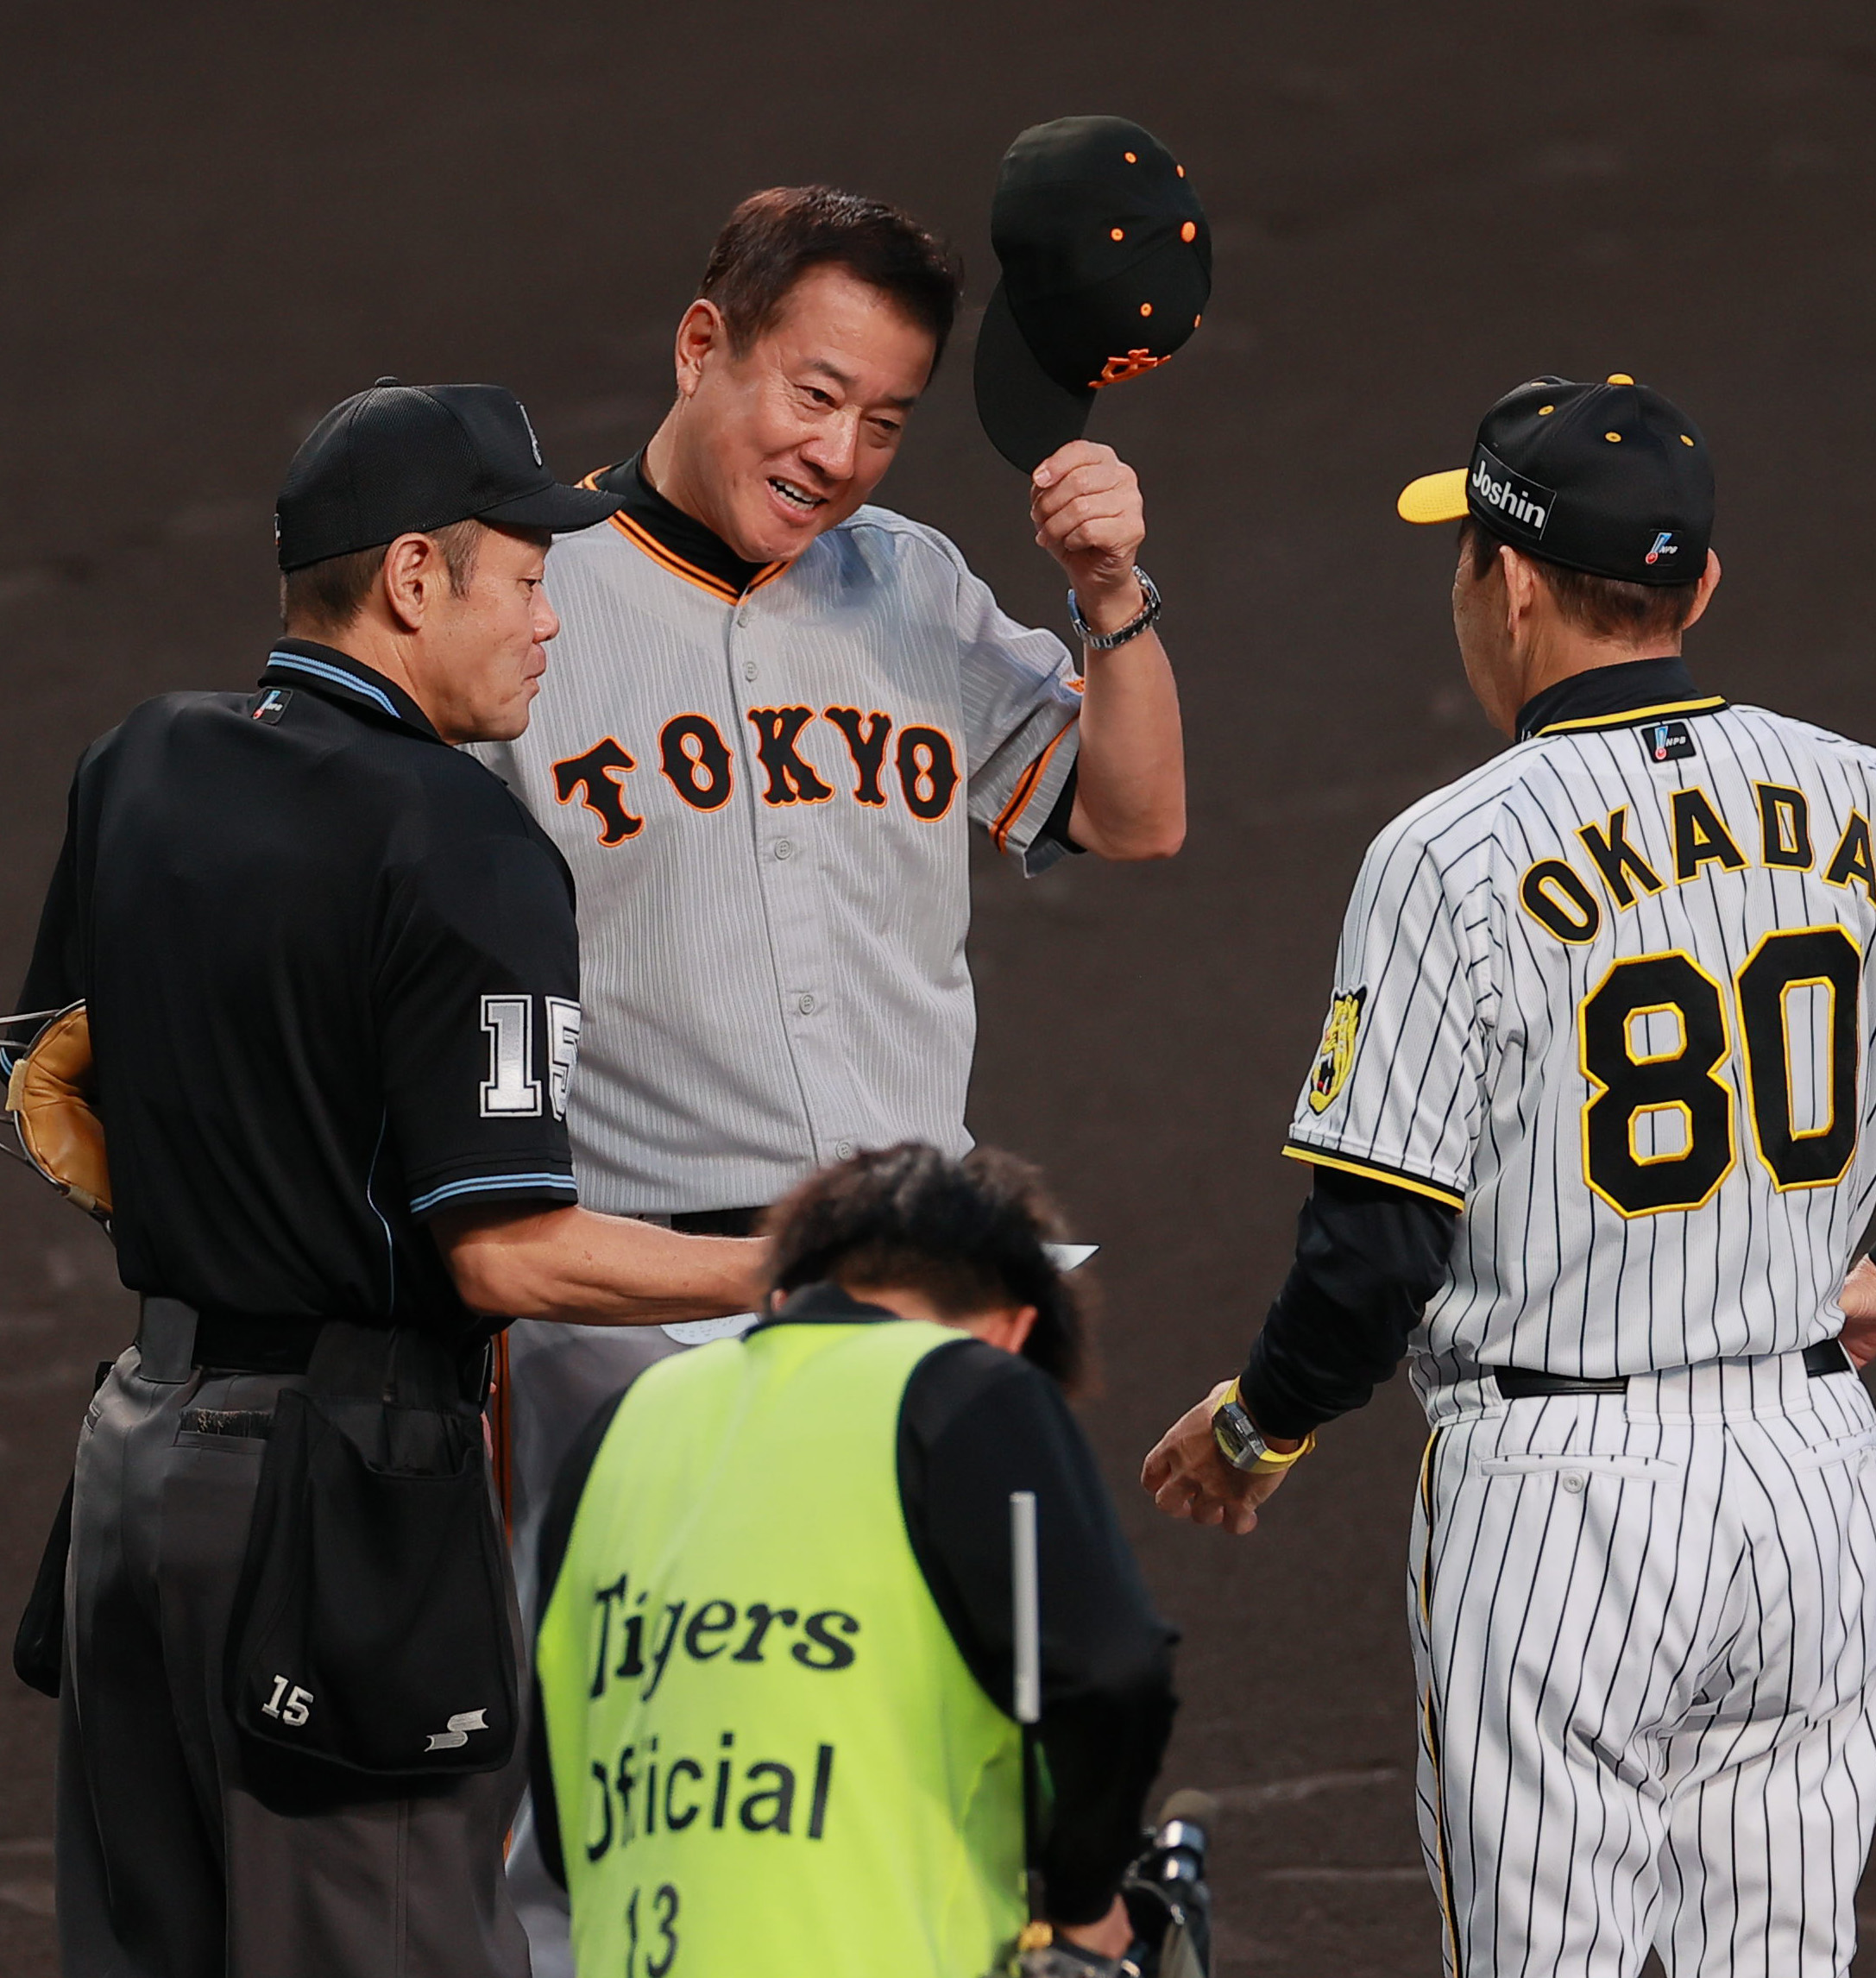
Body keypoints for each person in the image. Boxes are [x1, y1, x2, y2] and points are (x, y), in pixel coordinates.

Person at [1143, 375, 1876, 1977]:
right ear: (1700, 589)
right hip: (1815, 1473)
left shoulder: (1448, 852)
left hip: (1562, 1507)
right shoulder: (1853, 788)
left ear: (1510, 582)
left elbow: (1375, 1245)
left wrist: (1263, 1423)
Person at [465, 175, 1189, 1962]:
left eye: (883, 418)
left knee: (935, 1746)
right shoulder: (530, 606)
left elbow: (1136, 813)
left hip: (914, 1310)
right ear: (704, 344)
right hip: (632, 1318)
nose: (843, 451)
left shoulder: (915, 591)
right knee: (642, 1783)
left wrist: (1111, 595)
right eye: (813, 393)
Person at [16, 381, 780, 1978]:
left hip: (137, 1469)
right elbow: (504, 1253)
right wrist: (792, 1267)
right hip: (334, 1502)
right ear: (415, 578)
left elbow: (44, 1072)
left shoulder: (138, 766)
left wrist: (232, 1184)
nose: (551, 620)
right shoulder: (465, 837)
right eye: (524, 576)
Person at [532, 1143, 1176, 1977]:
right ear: (1016, 1326)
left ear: (779, 1290)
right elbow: (1110, 1673)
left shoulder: (621, 1424)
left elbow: (561, 1810)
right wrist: (1088, 1903)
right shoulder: (970, 1386)